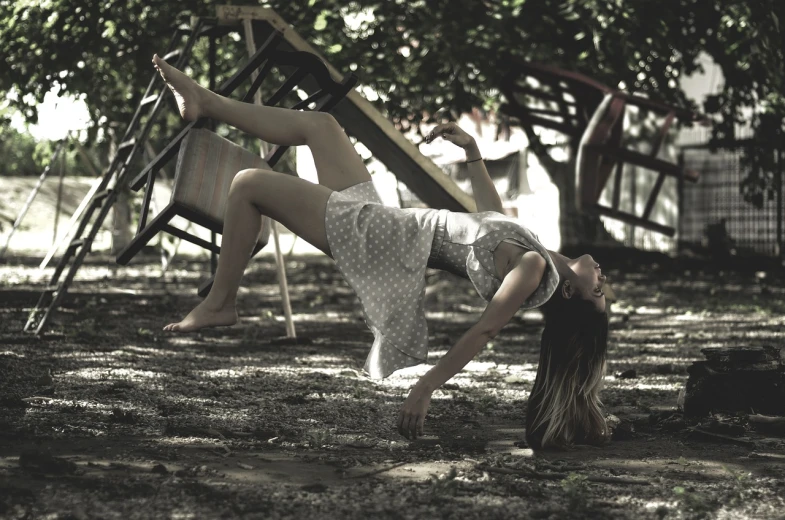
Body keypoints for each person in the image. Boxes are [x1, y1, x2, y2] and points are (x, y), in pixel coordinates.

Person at [152, 53, 609, 449]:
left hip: (377, 239)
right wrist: (472, 152)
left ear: (570, 294)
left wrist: (426, 388)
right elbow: (489, 217)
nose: (603, 280)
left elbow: (483, 332)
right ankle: (206, 101)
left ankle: (221, 303)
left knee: (248, 184)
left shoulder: (531, 270)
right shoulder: (537, 254)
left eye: (599, 291)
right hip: (386, 222)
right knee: (322, 125)